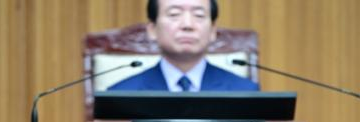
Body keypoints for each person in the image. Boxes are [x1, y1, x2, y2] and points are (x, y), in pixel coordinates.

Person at [108, 0, 259, 92]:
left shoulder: (244, 91)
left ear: (213, 30)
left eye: (199, 15)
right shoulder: (122, 94)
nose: (187, 25)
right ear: (152, 29)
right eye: (174, 14)